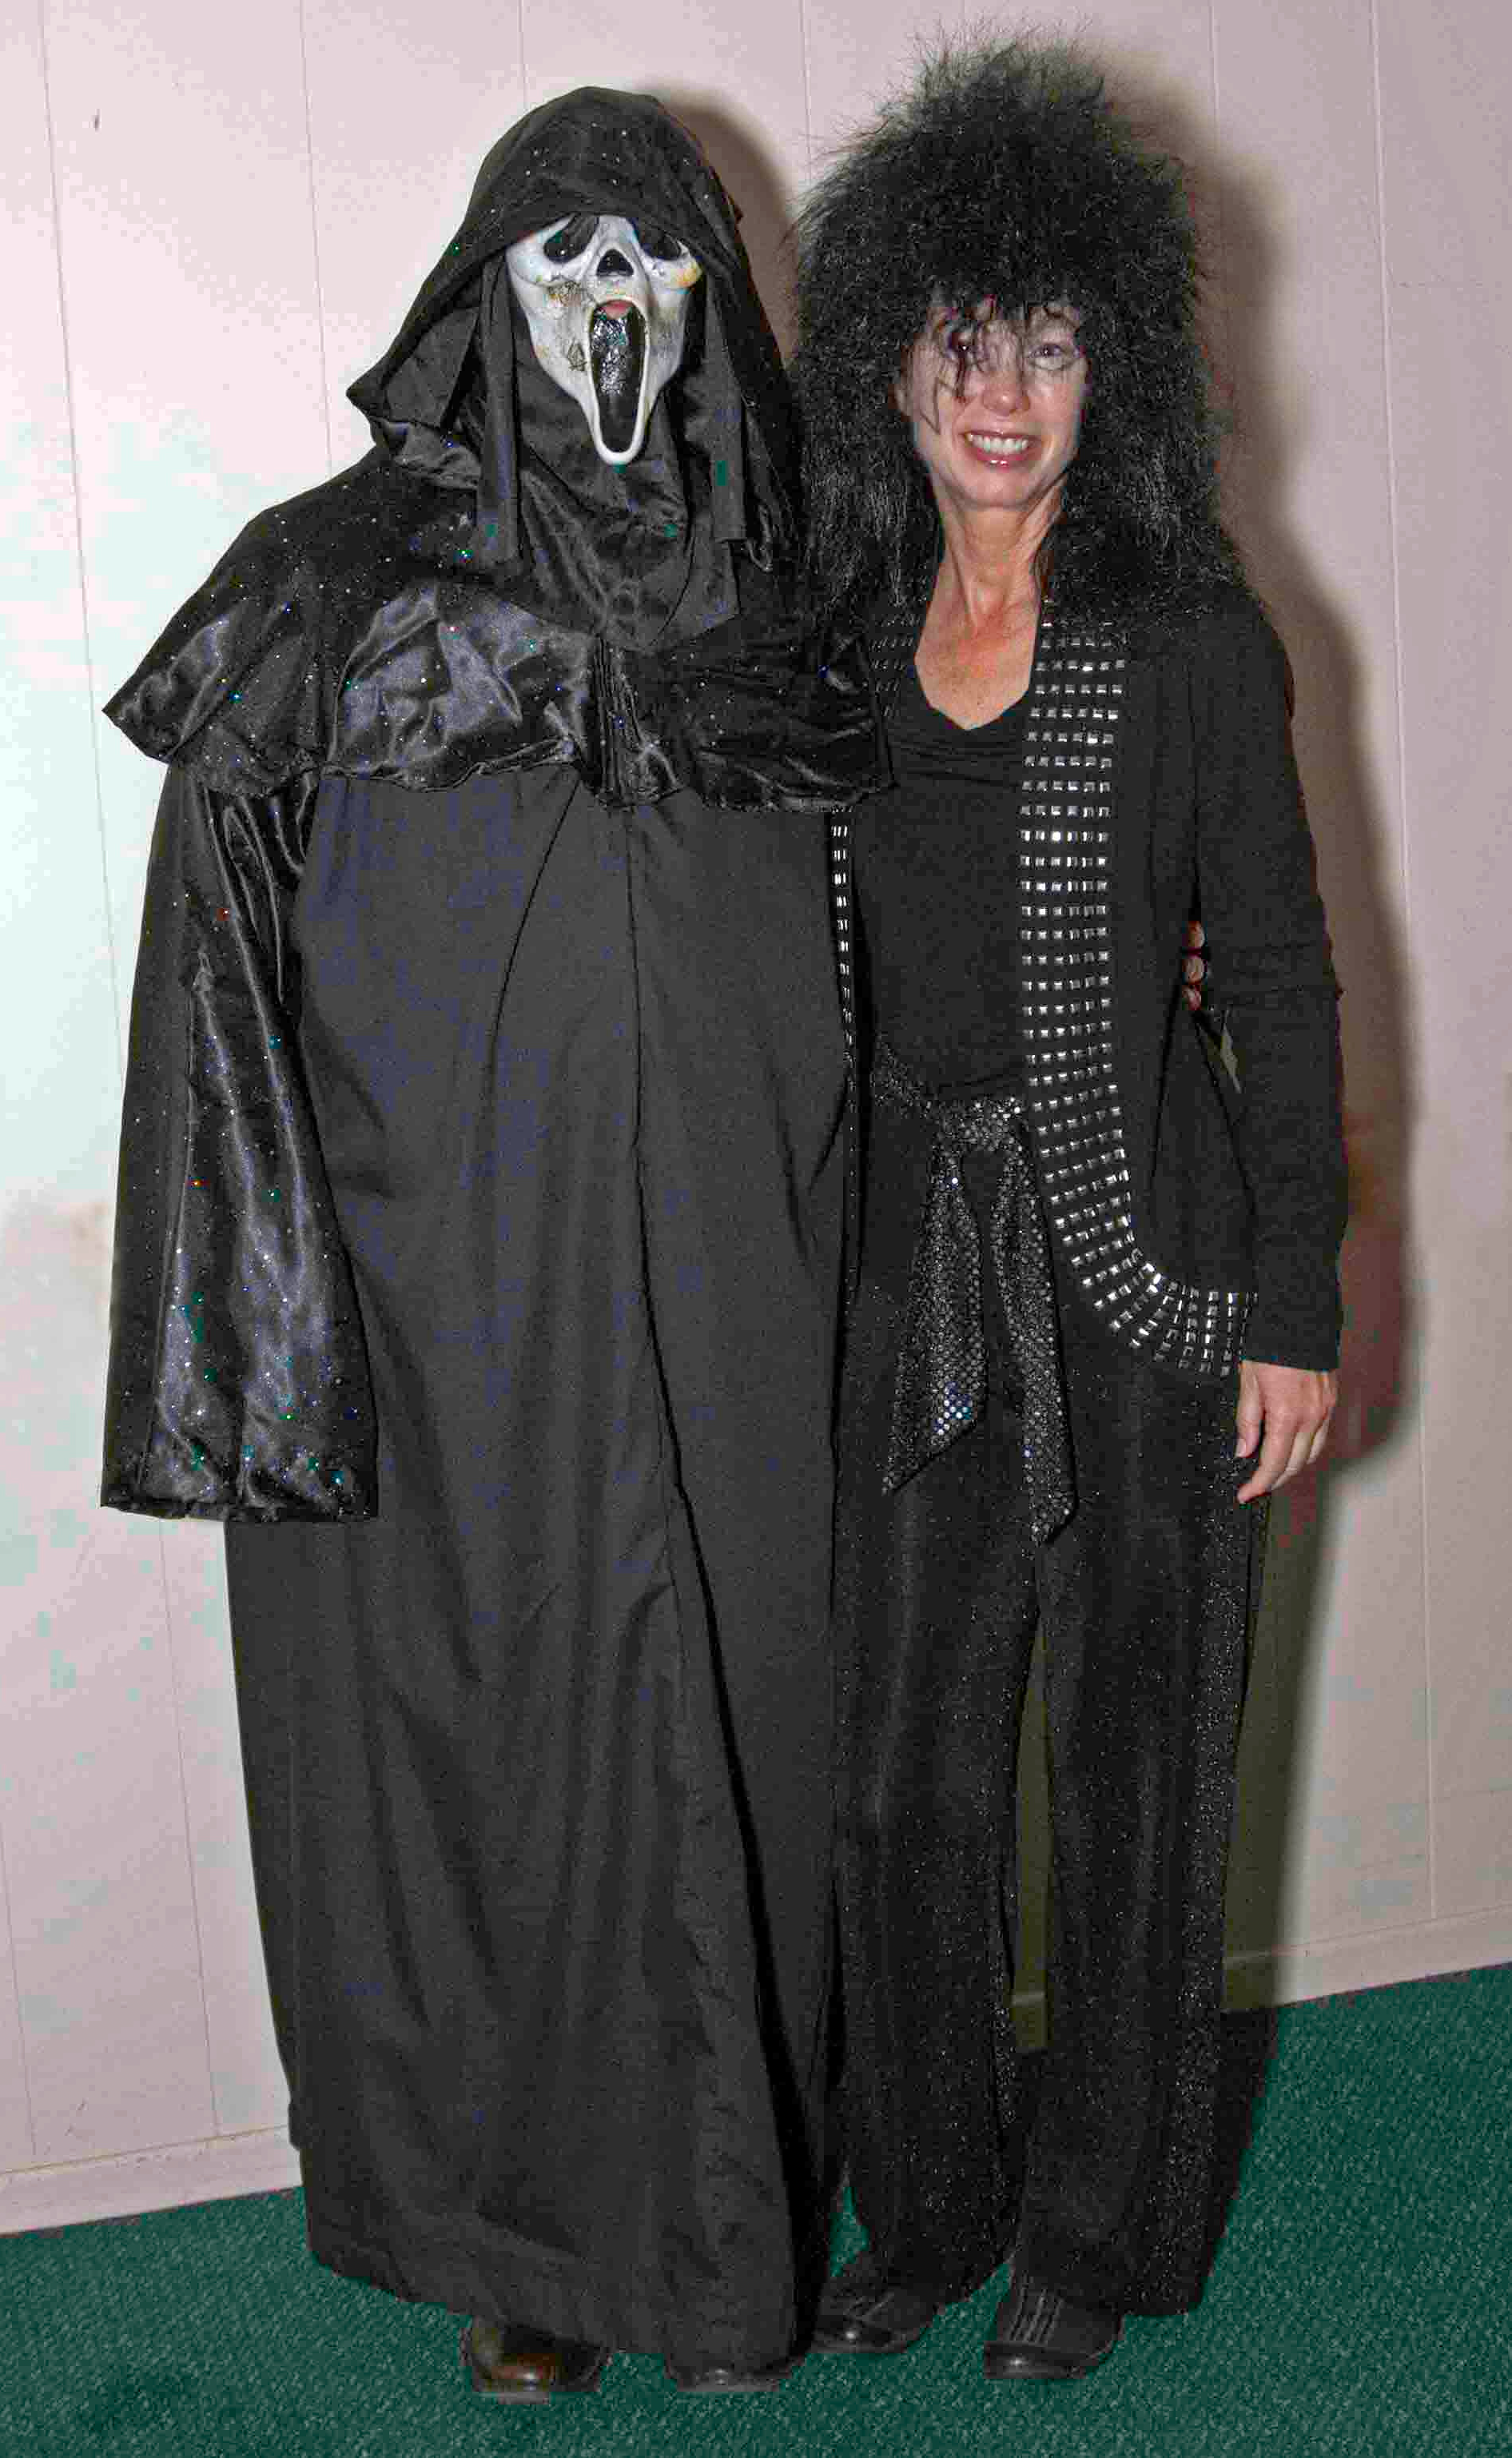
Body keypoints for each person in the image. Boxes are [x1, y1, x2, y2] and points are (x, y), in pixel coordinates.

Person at [100, 88, 880, 2399]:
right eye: (565, 268)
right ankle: (524, 2250)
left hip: (755, 1307)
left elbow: (927, 941)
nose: (610, 313)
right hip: (450, 1333)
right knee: (495, 1777)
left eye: (649, 268)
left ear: (707, 303)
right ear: (483, 300)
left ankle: (736, 2241)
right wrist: (258, 1350)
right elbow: (211, 990)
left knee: (756, 1739)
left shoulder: (807, 598)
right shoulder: (326, 596)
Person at [793, 41, 1347, 2380]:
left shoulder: (1195, 639)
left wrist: (1299, 1300)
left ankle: (1093, 2237)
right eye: (959, 338)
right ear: (890, 361)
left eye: (1046, 341)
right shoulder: (836, 643)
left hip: (1151, 1281)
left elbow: (1285, 973)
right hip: (906, 1284)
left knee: (1135, 1765)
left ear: (1110, 372)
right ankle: (928, 2201)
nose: (999, 393)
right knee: (902, 1775)